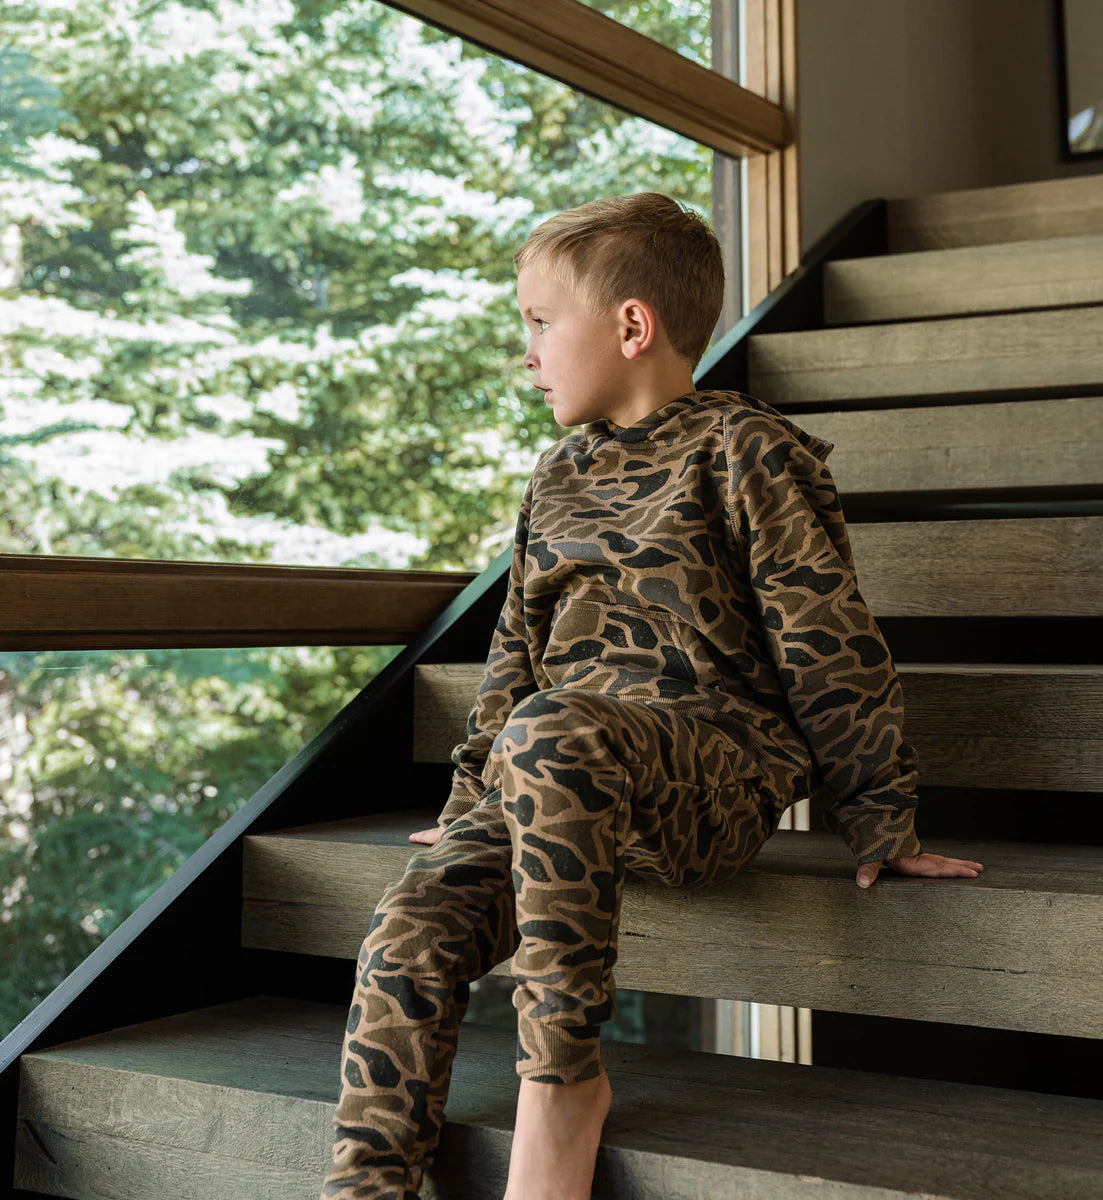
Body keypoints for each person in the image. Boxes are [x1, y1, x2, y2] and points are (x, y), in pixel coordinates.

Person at [320, 192, 984, 1200]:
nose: (528, 354)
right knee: (411, 925)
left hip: (708, 779)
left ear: (633, 326)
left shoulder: (744, 450)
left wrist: (880, 814)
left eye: (540, 324)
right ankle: (367, 1184)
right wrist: (468, 806)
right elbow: (517, 652)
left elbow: (827, 639)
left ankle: (563, 1082)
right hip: (558, 775)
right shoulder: (556, 476)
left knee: (552, 732)